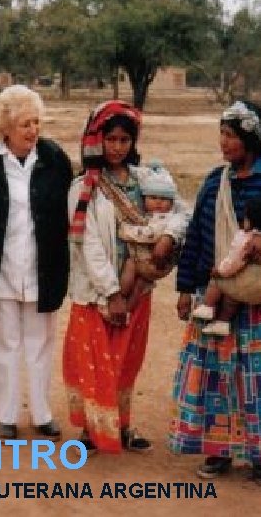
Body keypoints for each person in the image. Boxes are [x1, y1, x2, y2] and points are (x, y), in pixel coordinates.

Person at [169, 100, 261, 487]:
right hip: (215, 293)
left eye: (230, 136)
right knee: (217, 378)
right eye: (221, 134)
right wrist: (187, 289)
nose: (223, 143)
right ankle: (217, 451)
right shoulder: (214, 183)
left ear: (250, 139)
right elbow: (198, 238)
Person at [64, 100, 189, 454]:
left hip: (140, 291)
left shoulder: (147, 179)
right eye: (112, 139)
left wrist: (168, 236)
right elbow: (88, 245)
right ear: (97, 140)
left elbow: (183, 213)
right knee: (94, 363)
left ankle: (122, 426)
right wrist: (112, 293)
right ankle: (90, 432)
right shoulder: (83, 188)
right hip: (97, 294)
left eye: (125, 140)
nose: (118, 147)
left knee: (125, 361)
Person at [0, 85, 73, 440]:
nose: (33, 130)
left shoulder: (55, 159)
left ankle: (42, 414)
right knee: (3, 344)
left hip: (42, 268)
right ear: (6, 127)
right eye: (25, 123)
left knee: (41, 343)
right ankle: (7, 415)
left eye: (37, 122)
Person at [190, 192, 261, 336]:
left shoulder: (246, 239)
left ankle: (208, 306)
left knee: (219, 283)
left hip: (242, 279)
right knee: (232, 299)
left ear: (253, 220)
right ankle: (223, 322)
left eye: (246, 217)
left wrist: (221, 271)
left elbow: (236, 260)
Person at [118, 164, 188, 312]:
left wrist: (124, 230)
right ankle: (127, 309)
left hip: (153, 262)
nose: (158, 202)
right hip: (153, 265)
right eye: (153, 197)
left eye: (164, 199)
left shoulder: (165, 218)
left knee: (130, 265)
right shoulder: (152, 214)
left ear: (172, 202)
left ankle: (121, 295)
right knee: (139, 286)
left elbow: (149, 234)